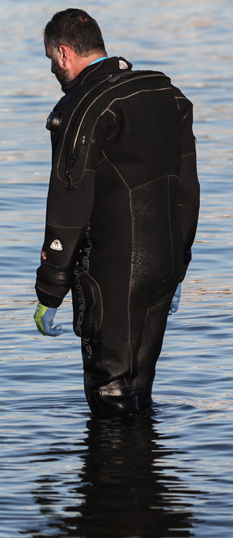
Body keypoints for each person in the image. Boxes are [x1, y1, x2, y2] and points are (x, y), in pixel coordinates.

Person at [33, 9, 200, 416]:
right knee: (140, 387)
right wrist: (180, 264)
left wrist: (51, 288)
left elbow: (69, 200)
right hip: (165, 259)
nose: (53, 70)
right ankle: (144, 474)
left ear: (63, 53)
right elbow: (188, 189)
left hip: (113, 268)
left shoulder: (81, 107)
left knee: (109, 384)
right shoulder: (166, 95)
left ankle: (111, 476)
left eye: (50, 61)